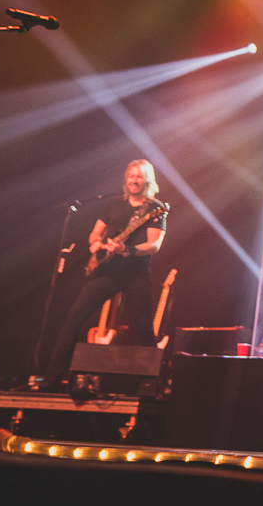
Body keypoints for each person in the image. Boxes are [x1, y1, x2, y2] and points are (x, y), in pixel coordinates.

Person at [44, 160, 168, 386]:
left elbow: (154, 245)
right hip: (107, 270)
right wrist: (95, 245)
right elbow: (95, 235)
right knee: (75, 316)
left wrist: (128, 250)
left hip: (136, 272)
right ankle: (52, 376)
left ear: (147, 180)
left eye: (139, 176)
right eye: (131, 176)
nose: (134, 180)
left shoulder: (154, 208)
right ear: (126, 179)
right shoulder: (112, 205)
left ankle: (151, 381)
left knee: (143, 325)